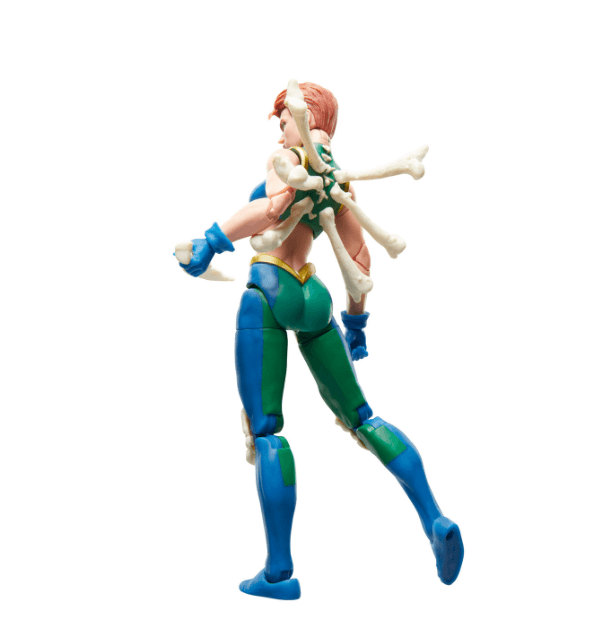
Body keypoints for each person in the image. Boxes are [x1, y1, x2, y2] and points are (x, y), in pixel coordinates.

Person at [177, 82, 463, 600]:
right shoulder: (337, 178)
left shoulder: (288, 159)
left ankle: (279, 573)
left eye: (284, 119)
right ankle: (435, 519)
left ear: (306, 117)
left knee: (267, 432)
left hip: (270, 287)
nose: (280, 129)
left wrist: (210, 241)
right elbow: (359, 258)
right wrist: (356, 324)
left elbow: (272, 208)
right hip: (315, 297)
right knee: (363, 417)